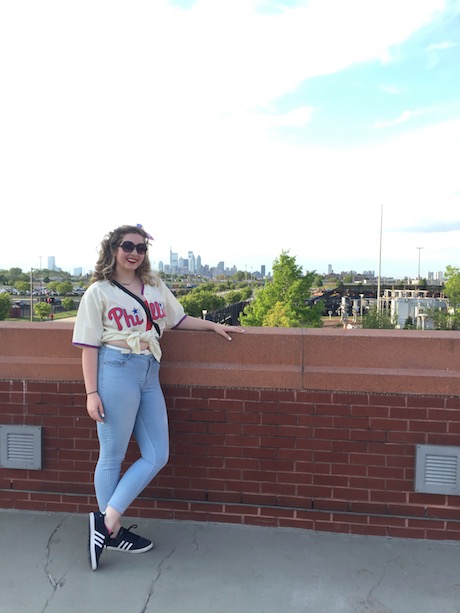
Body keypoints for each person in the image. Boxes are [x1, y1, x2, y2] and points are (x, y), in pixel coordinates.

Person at [72, 224, 244, 571]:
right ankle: (112, 530)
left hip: (150, 370)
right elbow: (88, 346)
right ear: (113, 249)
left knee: (157, 453)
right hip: (115, 369)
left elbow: (177, 320)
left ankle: (105, 523)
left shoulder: (153, 286)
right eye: (128, 246)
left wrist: (213, 326)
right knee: (113, 455)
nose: (135, 253)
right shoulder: (98, 292)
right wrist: (92, 393)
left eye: (141, 248)